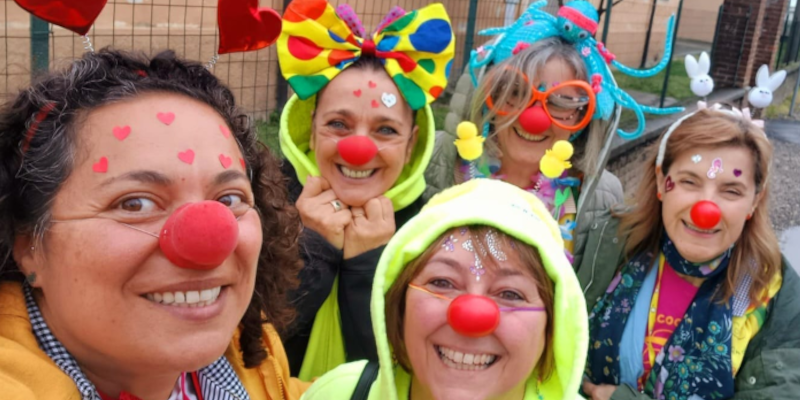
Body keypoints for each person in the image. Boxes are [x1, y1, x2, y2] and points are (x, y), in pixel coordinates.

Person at [0, 49, 308, 399]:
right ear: (28, 245)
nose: (210, 241)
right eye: (135, 203)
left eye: (228, 199)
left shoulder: (251, 351)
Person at [274, 0, 455, 380]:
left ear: (411, 145)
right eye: (338, 124)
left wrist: (366, 267)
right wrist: (312, 250)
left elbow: (407, 372)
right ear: (312, 127)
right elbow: (251, 348)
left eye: (385, 130)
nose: (359, 149)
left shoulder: (436, 237)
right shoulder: (265, 209)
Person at [425, 1, 683, 267]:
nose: (533, 119)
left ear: (584, 117)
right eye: (515, 92)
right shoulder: (433, 161)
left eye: (560, 102)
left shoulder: (600, 198)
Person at [579, 104, 800, 399]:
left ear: (754, 201)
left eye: (731, 191)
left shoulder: (775, 293)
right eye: (689, 182)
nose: (704, 210)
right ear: (661, 182)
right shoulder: (610, 242)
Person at [298, 179, 588, 400]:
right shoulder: (338, 393)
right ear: (399, 306)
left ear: (552, 327)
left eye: (510, 294)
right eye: (442, 282)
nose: (471, 316)